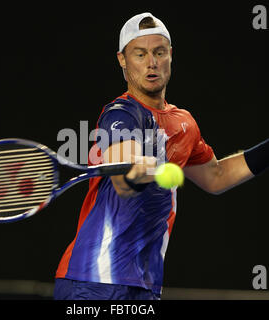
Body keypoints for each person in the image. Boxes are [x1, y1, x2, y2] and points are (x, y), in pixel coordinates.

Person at [54, 12, 269, 300]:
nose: (151, 63)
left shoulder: (184, 123)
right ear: (122, 60)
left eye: (159, 52)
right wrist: (136, 169)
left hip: (145, 284)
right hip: (93, 280)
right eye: (140, 54)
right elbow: (123, 177)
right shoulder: (120, 114)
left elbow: (217, 177)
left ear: (170, 55)